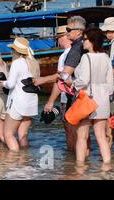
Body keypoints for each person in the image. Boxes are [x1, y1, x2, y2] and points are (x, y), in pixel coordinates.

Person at [44, 16, 87, 152]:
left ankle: (74, 165)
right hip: (87, 95)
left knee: (72, 130)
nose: (67, 34)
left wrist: (43, 82)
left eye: (69, 30)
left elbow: (63, 76)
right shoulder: (84, 47)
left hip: (73, 96)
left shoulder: (73, 51)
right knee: (84, 133)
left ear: (78, 31)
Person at [72, 27, 113, 164]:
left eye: (85, 39)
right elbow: (111, 86)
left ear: (92, 41)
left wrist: (72, 84)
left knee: (82, 137)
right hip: (103, 100)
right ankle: (107, 167)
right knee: (101, 136)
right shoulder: (106, 57)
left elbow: (83, 80)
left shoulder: (86, 57)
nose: (83, 41)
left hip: (87, 100)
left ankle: (80, 168)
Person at [0, 37, 40, 152]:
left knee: (8, 134)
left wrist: (3, 83)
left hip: (18, 103)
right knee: (23, 135)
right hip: (31, 103)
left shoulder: (17, 63)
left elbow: (11, 84)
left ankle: (14, 158)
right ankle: (24, 161)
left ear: (15, 51)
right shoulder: (34, 63)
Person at [34, 25, 72, 116]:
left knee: (68, 126)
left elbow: (60, 79)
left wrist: (50, 102)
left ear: (63, 37)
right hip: (79, 95)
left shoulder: (65, 55)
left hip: (67, 96)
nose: (57, 41)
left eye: (58, 38)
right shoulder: (78, 51)